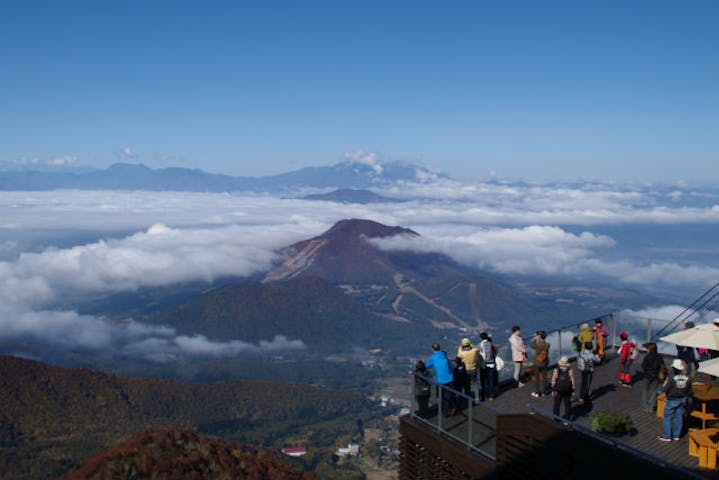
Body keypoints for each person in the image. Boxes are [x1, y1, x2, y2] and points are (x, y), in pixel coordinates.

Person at [658, 358, 691, 442]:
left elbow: (665, 389)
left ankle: (667, 436)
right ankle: (677, 435)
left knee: (668, 417)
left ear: (673, 368)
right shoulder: (687, 378)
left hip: (672, 399)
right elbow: (689, 390)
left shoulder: (672, 378)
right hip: (683, 399)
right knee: (679, 417)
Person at [425, 343, 454, 416]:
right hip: (450, 378)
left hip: (440, 380)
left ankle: (445, 412)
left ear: (433, 349)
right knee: (449, 395)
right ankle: (451, 408)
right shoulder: (444, 354)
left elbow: (427, 366)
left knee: (441, 397)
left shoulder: (433, 357)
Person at [641, 342, 666, 413]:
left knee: (645, 391)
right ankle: (651, 407)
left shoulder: (647, 357)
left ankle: (645, 407)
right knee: (654, 392)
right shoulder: (659, 357)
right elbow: (662, 366)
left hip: (647, 375)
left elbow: (643, 366)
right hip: (656, 376)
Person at [551, 356, 576, 420]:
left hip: (558, 390)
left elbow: (553, 381)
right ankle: (567, 419)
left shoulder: (557, 370)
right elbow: (572, 380)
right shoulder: (570, 370)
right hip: (568, 390)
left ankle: (556, 418)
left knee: (557, 405)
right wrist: (573, 390)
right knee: (567, 405)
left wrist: (553, 390)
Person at [457, 337, 481, 402]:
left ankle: (468, 399)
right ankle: (477, 398)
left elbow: (458, 355)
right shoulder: (474, 351)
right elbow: (474, 347)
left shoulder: (462, 353)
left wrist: (461, 346)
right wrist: (470, 345)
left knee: (467, 385)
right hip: (474, 369)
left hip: (466, 370)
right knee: (475, 384)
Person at [530, 330, 550, 398]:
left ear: (539, 336)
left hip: (537, 363)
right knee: (544, 377)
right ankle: (544, 391)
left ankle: (537, 392)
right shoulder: (547, 343)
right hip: (544, 362)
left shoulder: (538, 344)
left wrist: (535, 339)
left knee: (537, 378)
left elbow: (531, 345)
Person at [478, 332, 496, 401]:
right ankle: (491, 395)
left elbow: (479, 353)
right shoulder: (490, 343)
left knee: (483, 381)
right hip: (491, 364)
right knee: (490, 380)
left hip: (484, 365)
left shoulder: (481, 344)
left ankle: (483, 396)